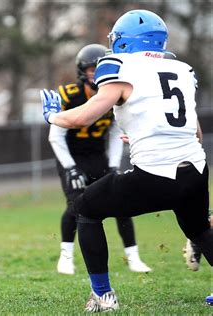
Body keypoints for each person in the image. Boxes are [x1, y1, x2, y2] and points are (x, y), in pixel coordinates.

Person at [41, 9, 212, 312]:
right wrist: (141, 134)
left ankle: (103, 295)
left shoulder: (122, 67)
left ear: (124, 41)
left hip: (156, 175)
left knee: (86, 209)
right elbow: (194, 132)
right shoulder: (182, 69)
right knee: (199, 229)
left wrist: (54, 116)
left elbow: (85, 115)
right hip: (196, 170)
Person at [49, 43, 151, 275]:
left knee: (121, 203)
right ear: (81, 71)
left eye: (99, 68)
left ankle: (133, 256)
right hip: (72, 156)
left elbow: (115, 132)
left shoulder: (115, 92)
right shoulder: (69, 95)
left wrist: (113, 164)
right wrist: (70, 168)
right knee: (75, 204)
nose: (95, 73)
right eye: (91, 69)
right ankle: (66, 256)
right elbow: (56, 135)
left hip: (98, 156)